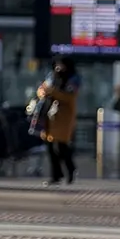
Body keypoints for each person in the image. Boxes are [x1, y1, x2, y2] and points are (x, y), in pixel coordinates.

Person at [38, 58, 81, 186]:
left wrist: (52, 92)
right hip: (50, 115)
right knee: (50, 146)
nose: (58, 67)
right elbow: (42, 89)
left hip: (64, 117)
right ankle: (56, 175)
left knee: (62, 146)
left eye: (61, 65)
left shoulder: (73, 79)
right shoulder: (52, 76)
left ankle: (70, 169)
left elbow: (68, 97)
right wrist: (43, 92)